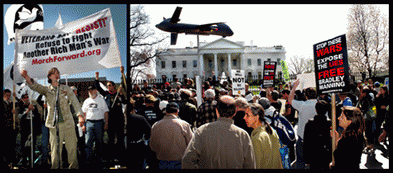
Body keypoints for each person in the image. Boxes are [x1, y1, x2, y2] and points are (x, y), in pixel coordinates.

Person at [21, 68, 84, 169]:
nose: (56, 75)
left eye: (58, 73)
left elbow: (75, 101)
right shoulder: (47, 89)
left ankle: (73, 167)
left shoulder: (66, 88)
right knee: (55, 150)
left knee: (72, 148)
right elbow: (35, 86)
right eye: (54, 73)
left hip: (68, 123)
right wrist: (26, 76)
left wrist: (80, 115)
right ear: (49, 77)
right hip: (54, 125)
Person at [182, 95, 256, 169]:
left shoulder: (202, 131)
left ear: (216, 111)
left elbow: (187, 160)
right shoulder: (243, 135)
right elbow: (250, 164)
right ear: (235, 112)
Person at [150, 102, 193, 169]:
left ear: (166, 112)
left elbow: (152, 145)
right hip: (179, 160)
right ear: (177, 111)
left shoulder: (156, 125)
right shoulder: (184, 125)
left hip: (162, 160)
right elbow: (191, 142)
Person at [95, 71, 127, 163]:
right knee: (111, 140)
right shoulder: (107, 94)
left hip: (119, 121)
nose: (108, 87)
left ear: (113, 86)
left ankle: (122, 158)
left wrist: (121, 94)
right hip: (110, 120)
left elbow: (125, 102)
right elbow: (98, 88)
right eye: (107, 86)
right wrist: (97, 78)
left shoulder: (119, 95)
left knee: (120, 140)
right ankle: (111, 158)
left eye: (110, 85)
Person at [288, 79, 318, 169]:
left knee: (300, 161)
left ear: (306, 96)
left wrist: (294, 87)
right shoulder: (320, 104)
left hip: (303, 139)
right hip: (316, 138)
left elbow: (290, 100)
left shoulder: (302, 105)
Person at [243, 103, 283, 169]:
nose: (244, 117)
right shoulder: (271, 130)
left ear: (256, 117)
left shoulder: (257, 138)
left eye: (247, 115)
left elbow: (256, 165)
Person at [81, 85, 109, 167]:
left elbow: (106, 112)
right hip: (89, 123)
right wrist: (83, 125)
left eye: (91, 90)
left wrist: (106, 123)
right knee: (88, 142)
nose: (90, 91)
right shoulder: (86, 101)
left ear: (96, 90)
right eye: (89, 90)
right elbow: (83, 113)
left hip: (99, 123)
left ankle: (98, 159)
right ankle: (89, 160)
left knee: (99, 142)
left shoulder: (101, 100)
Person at [303, 100, 332, 169]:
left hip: (314, 155)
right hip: (326, 155)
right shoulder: (330, 123)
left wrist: (306, 158)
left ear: (316, 110)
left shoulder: (310, 124)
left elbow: (306, 142)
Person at [126, 98, 151, 169]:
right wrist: (145, 139)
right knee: (141, 165)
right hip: (139, 145)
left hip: (127, 146)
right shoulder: (140, 118)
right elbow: (149, 130)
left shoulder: (122, 119)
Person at [3, 89, 17, 169]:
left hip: (11, 128)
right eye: (6, 95)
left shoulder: (11, 104)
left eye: (9, 95)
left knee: (11, 146)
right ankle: (7, 163)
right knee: (6, 147)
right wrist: (10, 112)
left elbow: (19, 104)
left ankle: (11, 162)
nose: (8, 97)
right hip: (5, 129)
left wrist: (16, 97)